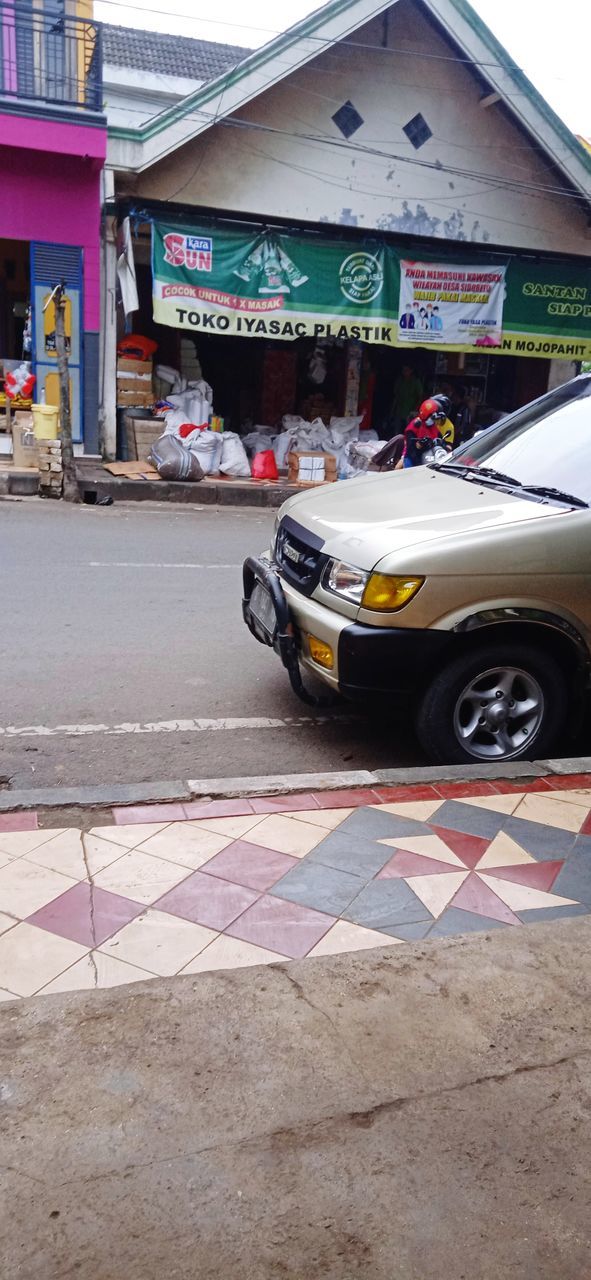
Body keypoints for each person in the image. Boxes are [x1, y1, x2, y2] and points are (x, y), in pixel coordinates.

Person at [401, 398, 446, 468]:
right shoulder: (413, 427)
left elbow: (439, 437)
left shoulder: (432, 427)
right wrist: (420, 445)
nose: (434, 420)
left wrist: (441, 443)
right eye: (432, 417)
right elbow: (411, 449)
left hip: (429, 457)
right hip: (413, 459)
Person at [391, 364, 423, 432]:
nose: (404, 372)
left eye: (407, 370)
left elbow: (420, 397)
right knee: (396, 430)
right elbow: (396, 395)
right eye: (403, 370)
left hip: (410, 410)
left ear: (411, 371)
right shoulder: (400, 381)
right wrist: (392, 410)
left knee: (409, 430)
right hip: (399, 410)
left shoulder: (416, 381)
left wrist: (415, 410)